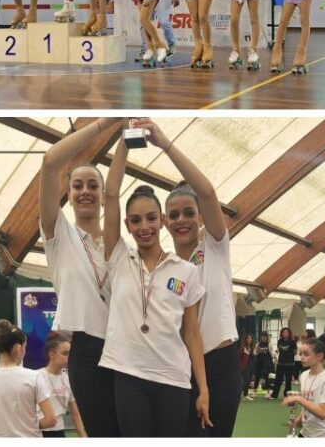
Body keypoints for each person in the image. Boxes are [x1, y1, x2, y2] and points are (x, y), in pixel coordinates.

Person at [134, 117, 241, 436]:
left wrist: (164, 143)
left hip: (221, 366)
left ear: (200, 217)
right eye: (175, 214)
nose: (182, 220)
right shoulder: (161, 266)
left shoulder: (215, 246)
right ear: (166, 221)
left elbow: (207, 193)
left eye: (189, 213)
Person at [98, 132, 210, 437]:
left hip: (173, 378)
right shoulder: (119, 257)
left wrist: (202, 389)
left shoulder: (186, 271)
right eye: (135, 221)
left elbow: (192, 333)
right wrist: (124, 136)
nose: (143, 227)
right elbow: (110, 194)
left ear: (162, 220)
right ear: (127, 226)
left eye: (150, 218)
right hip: (129, 376)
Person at [37, 117, 120, 436]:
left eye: (93, 185)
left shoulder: (121, 247)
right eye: (77, 185)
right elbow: (49, 162)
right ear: (68, 194)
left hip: (127, 348)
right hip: (86, 351)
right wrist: (107, 122)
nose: (85, 191)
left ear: (104, 194)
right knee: (102, 432)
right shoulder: (58, 235)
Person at [0, 319, 57, 437]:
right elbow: (50, 420)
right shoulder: (35, 378)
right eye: (25, 346)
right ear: (18, 348)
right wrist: (27, 426)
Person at [281, 337, 325, 438]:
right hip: (306, 432)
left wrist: (298, 399)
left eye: (306, 354)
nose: (302, 357)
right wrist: (297, 420)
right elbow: (308, 405)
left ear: (319, 356)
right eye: (300, 353)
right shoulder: (304, 375)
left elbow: (323, 413)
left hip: (323, 435)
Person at [39, 332, 86, 437]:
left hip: (59, 432)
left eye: (70, 353)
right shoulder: (37, 377)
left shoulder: (68, 379)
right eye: (65, 353)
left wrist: (83, 437)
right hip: (38, 432)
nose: (68, 357)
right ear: (52, 354)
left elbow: (75, 414)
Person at [270, 327, 297, 400]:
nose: (285, 333)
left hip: (290, 364)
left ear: (289, 333)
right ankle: (274, 395)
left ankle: (287, 395)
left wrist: (288, 355)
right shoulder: (279, 341)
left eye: (287, 332)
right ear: (282, 333)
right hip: (280, 364)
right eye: (284, 332)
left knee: (288, 381)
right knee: (278, 379)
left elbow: (295, 352)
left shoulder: (292, 342)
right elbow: (279, 350)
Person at [239, 334, 255, 400]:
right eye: (248, 338)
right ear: (245, 340)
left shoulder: (252, 348)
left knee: (249, 381)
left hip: (251, 366)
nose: (249, 339)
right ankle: (239, 394)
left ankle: (245, 395)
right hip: (244, 367)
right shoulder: (243, 348)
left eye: (250, 338)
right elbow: (238, 357)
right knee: (246, 381)